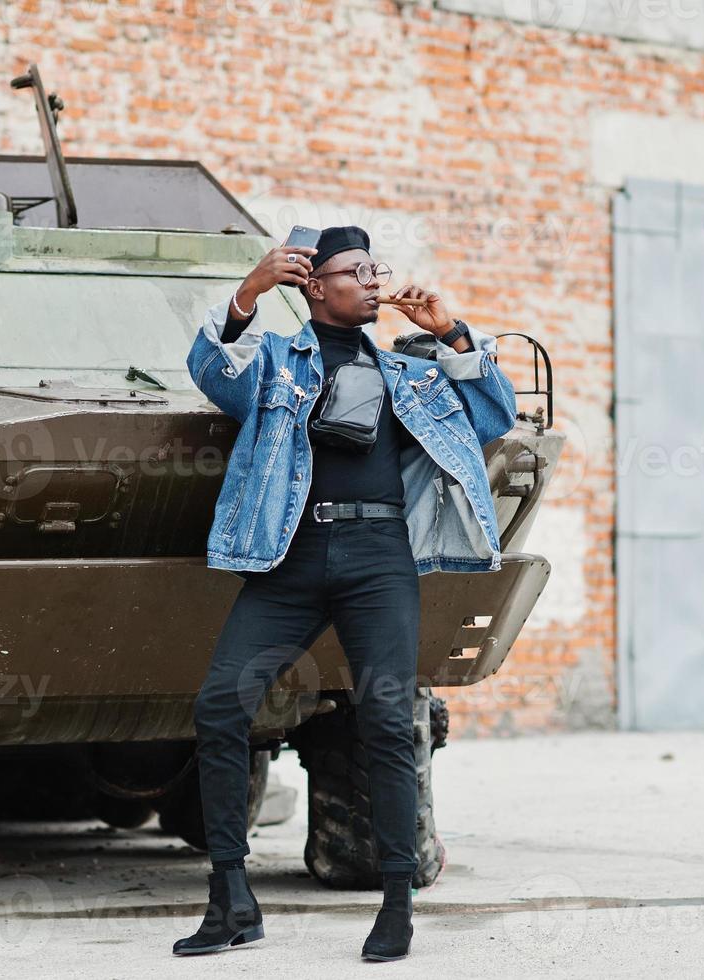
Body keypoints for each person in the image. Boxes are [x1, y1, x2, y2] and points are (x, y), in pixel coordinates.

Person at [176, 226, 519, 961]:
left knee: (390, 722)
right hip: (288, 559)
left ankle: (396, 904)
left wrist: (450, 332)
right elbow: (212, 372)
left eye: (376, 269)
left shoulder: (410, 371)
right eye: (354, 270)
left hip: (377, 558)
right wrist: (247, 293)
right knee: (219, 707)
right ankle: (230, 898)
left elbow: (493, 416)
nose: (372, 280)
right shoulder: (274, 359)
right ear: (313, 285)